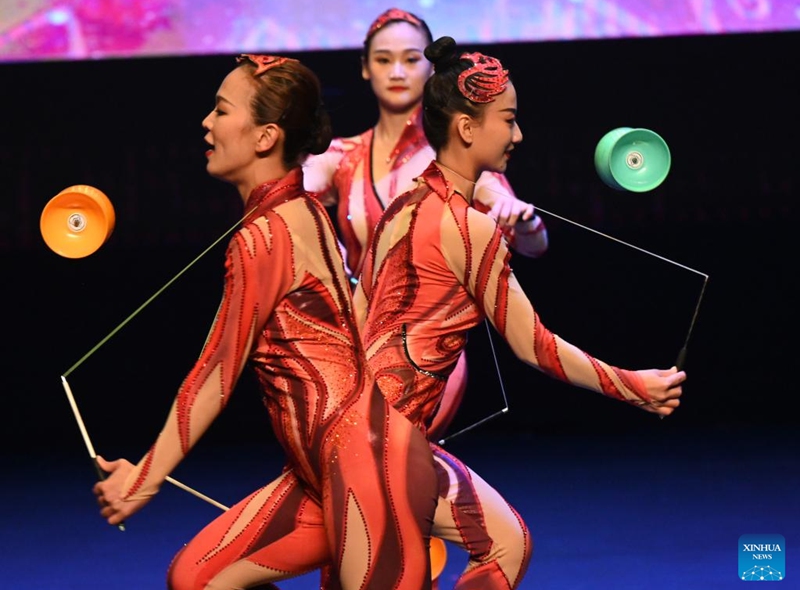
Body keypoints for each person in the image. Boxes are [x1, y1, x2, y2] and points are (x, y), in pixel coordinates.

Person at [92, 53, 438, 590]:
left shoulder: (266, 235)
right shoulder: (301, 211)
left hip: (367, 464)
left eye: (220, 110)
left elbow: (216, 374)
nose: (207, 124)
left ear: (263, 137)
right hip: (322, 471)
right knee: (197, 579)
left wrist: (145, 480)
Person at [352, 36, 687, 589]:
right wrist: (634, 386)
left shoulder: (401, 208)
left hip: (362, 431)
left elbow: (359, 323)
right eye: (508, 120)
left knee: (505, 543)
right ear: (466, 127)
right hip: (381, 445)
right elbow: (535, 346)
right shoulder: (469, 227)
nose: (518, 134)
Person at [303, 4, 547, 453]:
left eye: (411, 59)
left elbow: (533, 243)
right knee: (365, 483)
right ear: (364, 69)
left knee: (381, 464)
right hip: (351, 345)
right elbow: (287, 196)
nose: (397, 71)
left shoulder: (458, 158)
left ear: (430, 70)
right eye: (383, 59)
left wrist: (522, 219)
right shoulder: (340, 158)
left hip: (426, 354)